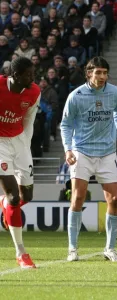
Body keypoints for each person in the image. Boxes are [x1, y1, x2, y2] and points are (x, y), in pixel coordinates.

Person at [60, 56, 117, 262]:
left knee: (115, 200)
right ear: (89, 73)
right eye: (98, 72)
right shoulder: (76, 96)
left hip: (107, 152)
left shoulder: (115, 93)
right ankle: (72, 249)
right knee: (78, 198)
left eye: (105, 73)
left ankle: (110, 248)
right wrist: (68, 149)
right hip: (82, 151)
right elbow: (66, 124)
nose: (102, 77)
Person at [0, 57, 40, 269]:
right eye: (28, 74)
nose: (33, 78)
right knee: (15, 197)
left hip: (20, 142)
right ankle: (21, 253)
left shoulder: (34, 92)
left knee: (27, 196)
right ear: (15, 75)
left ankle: (4, 203)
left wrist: (25, 146)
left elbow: (29, 121)